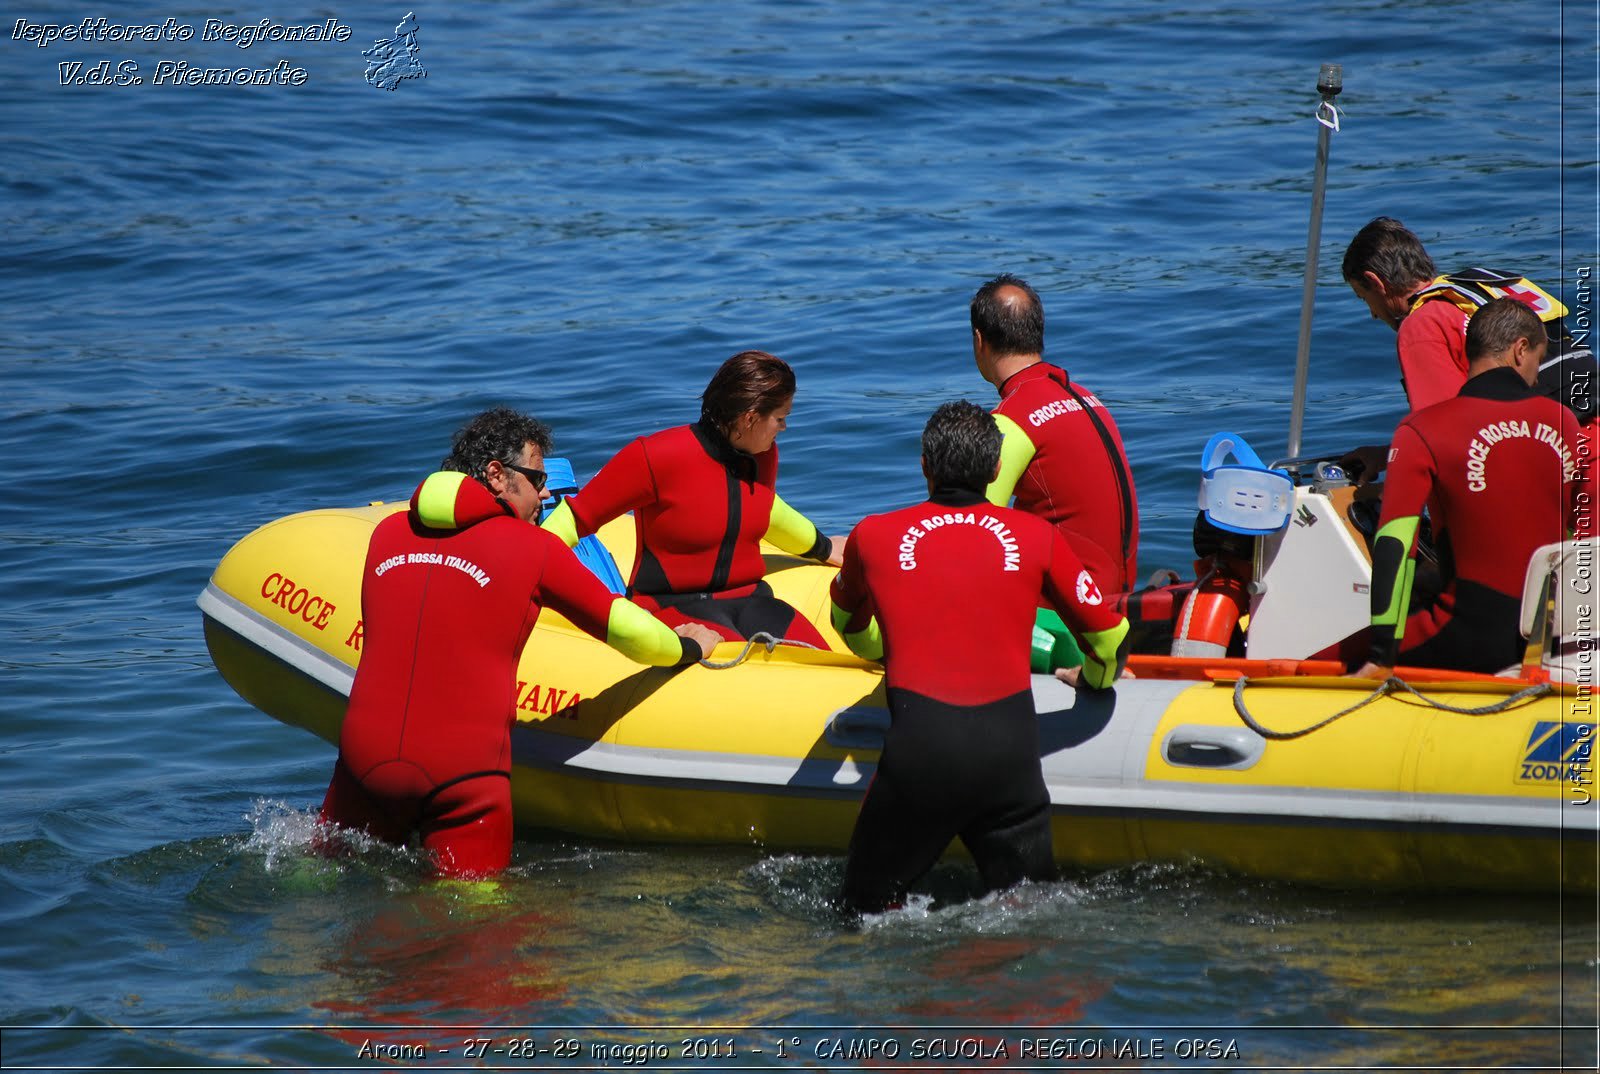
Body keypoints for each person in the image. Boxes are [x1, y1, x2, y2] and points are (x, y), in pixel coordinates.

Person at [319, 407, 720, 877]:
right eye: (536, 478)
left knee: (320, 877)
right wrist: (689, 646)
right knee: (477, 925)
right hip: (464, 778)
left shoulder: (387, 535)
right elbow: (630, 631)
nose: (546, 493)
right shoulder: (534, 548)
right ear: (496, 475)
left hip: (361, 762)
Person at [828, 400, 1131, 915]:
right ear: (996, 471)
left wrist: (886, 649)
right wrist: (1095, 680)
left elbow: (846, 624)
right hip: (1009, 763)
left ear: (924, 466)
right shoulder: (1039, 536)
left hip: (920, 759)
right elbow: (1110, 636)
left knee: (864, 911)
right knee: (1033, 912)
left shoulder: (873, 535)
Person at [542, 350, 843, 647]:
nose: (784, 428)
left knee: (826, 663)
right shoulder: (657, 456)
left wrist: (824, 547)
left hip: (754, 600)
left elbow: (763, 508)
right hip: (671, 606)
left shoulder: (763, 457)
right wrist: (523, 579)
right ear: (750, 418)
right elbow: (575, 518)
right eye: (780, 418)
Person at [1351, 299, 1582, 677]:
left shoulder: (1421, 430)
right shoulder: (1565, 422)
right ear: (1519, 350)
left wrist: (1381, 654)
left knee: (1325, 655)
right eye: (1538, 362)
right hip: (1555, 633)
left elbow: (1395, 544)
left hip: (1472, 639)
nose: (1537, 377)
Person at [1340, 216, 1595, 481]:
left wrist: (1391, 460)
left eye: (1364, 297)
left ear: (1377, 283)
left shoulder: (1422, 324)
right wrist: (1385, 455)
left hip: (1555, 461)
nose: (1372, 313)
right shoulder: (1486, 289)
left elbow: (1444, 438)